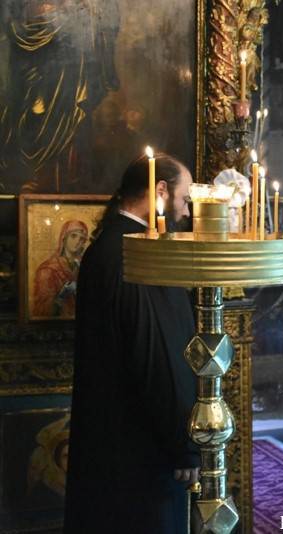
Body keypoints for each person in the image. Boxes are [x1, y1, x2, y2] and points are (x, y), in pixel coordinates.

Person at [64, 153, 198, 533]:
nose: (186, 210)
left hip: (113, 437)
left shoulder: (108, 246)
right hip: (143, 448)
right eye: (184, 198)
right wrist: (183, 443)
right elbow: (158, 355)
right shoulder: (137, 254)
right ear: (160, 190)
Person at [32, 219, 88, 318]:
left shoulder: (84, 266)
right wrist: (62, 296)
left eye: (82, 239)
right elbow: (41, 311)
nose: (77, 242)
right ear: (64, 238)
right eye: (73, 236)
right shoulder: (48, 269)